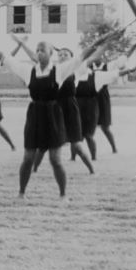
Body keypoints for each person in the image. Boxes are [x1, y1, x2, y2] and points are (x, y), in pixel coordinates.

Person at [0, 32, 119, 200]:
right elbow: (3, 56)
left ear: (50, 54)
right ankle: (21, 193)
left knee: (55, 159)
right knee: (28, 158)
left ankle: (63, 195)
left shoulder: (60, 70)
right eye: (37, 50)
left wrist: (101, 40)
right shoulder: (27, 70)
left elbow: (83, 56)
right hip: (35, 116)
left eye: (42, 50)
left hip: (54, 115)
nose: (38, 52)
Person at [14, 43, 95, 174]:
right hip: (53, 108)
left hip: (69, 109)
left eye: (66, 54)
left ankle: (92, 170)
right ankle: (34, 169)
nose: (62, 56)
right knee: (43, 145)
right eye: (60, 54)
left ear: (72, 57)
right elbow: (34, 56)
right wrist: (22, 43)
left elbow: (90, 55)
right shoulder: (53, 70)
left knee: (77, 145)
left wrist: (103, 42)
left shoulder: (77, 69)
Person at [74, 61, 136, 160]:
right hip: (82, 103)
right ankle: (74, 157)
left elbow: (117, 72)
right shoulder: (78, 73)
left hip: (98, 101)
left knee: (103, 128)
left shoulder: (102, 70)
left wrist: (131, 70)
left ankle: (112, 149)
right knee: (79, 133)